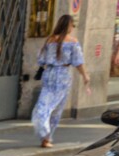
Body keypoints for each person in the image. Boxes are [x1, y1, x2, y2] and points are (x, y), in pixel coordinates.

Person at [32, 16, 91, 148]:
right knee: (56, 109)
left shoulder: (50, 40)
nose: (73, 28)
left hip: (49, 74)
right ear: (69, 26)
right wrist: (85, 76)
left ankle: (44, 135)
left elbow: (41, 59)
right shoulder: (73, 42)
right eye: (72, 25)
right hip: (63, 76)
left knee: (45, 103)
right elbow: (78, 62)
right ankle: (47, 136)